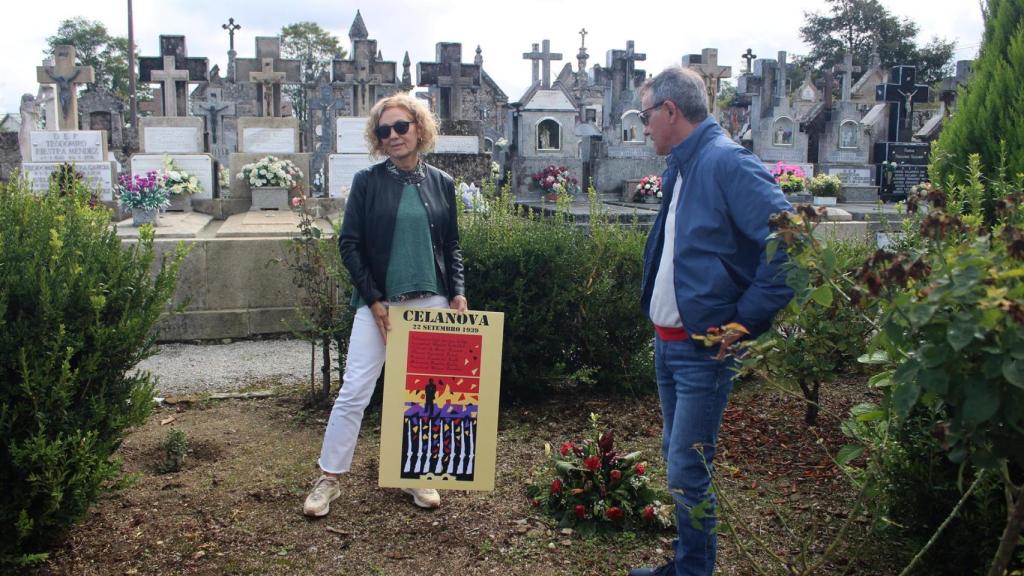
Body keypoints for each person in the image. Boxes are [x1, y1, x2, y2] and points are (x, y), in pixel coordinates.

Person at [629, 67, 793, 576]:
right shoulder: (683, 164)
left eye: (646, 115)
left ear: (671, 111)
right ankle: (686, 565)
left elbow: (790, 244)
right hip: (669, 344)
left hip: (703, 351)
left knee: (688, 470)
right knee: (680, 463)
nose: (644, 127)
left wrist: (744, 323)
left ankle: (693, 572)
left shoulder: (726, 162)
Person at [303, 93, 467, 517]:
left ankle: (418, 475)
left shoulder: (442, 184)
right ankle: (329, 479)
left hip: (432, 300)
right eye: (384, 130)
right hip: (379, 303)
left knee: (426, 394)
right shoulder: (367, 182)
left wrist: (458, 292)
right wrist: (373, 299)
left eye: (401, 127)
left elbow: (451, 246)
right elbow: (350, 243)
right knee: (356, 389)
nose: (393, 136)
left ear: (419, 128)